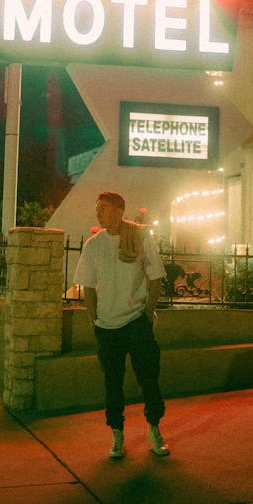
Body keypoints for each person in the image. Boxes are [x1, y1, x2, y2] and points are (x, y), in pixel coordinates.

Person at [74, 191, 170, 460]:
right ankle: (117, 435)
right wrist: (94, 320)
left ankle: (154, 430)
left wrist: (148, 311)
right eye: (97, 208)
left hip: (136, 321)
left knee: (149, 377)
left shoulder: (139, 238)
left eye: (103, 208)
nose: (98, 213)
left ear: (119, 211)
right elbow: (88, 287)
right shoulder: (93, 245)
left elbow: (156, 276)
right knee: (112, 383)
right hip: (106, 327)